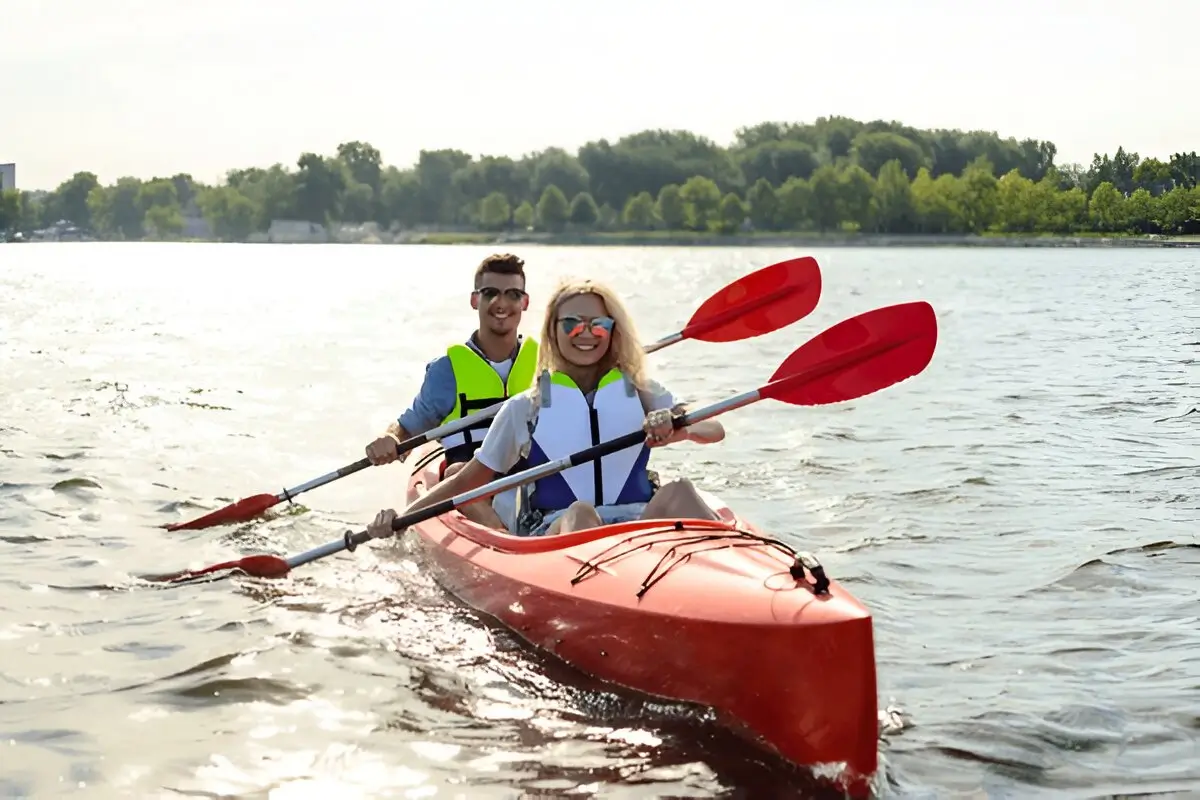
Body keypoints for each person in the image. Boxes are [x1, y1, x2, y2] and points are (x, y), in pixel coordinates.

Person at [365, 276, 725, 540]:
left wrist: (680, 422)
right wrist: (401, 519)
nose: (585, 333)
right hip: (556, 532)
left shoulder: (641, 391)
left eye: (597, 325)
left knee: (679, 489)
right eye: (572, 324)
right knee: (581, 511)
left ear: (613, 331)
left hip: (638, 520)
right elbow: (467, 481)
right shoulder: (526, 408)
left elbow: (714, 429)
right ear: (553, 331)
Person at [363, 253, 539, 530]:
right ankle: (508, 541)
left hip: (532, 482)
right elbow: (408, 428)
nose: (501, 303)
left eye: (513, 294)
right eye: (490, 293)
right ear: (474, 300)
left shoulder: (547, 364)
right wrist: (389, 438)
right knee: (458, 472)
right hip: (471, 489)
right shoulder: (448, 371)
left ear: (525, 302)